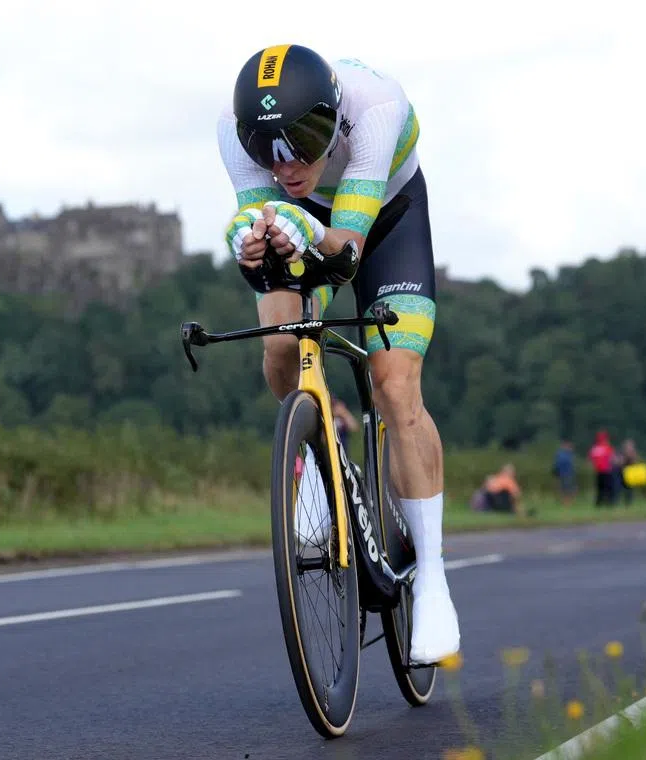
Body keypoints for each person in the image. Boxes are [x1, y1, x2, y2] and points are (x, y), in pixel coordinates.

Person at [217, 44, 456, 665]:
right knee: (278, 342)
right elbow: (255, 226)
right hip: (307, 224)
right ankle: (316, 466)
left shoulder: (377, 107)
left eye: (305, 140)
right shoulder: (232, 131)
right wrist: (250, 239)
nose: (287, 164)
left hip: (385, 220)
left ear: (334, 118)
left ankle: (431, 575)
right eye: (266, 150)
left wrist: (309, 230)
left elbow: (346, 249)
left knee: (395, 385)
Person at [588, 430, 616, 507]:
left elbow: (590, 459)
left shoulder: (595, 448)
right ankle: (610, 504)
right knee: (609, 488)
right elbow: (612, 459)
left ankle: (598, 504)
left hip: (598, 471)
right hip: (607, 471)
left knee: (600, 489)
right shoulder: (607, 447)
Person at [552, 441, 576, 507]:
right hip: (566, 473)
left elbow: (556, 464)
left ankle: (566, 502)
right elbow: (559, 464)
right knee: (567, 488)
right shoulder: (566, 455)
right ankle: (566, 502)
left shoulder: (561, 454)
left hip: (564, 473)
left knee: (565, 488)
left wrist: (555, 472)